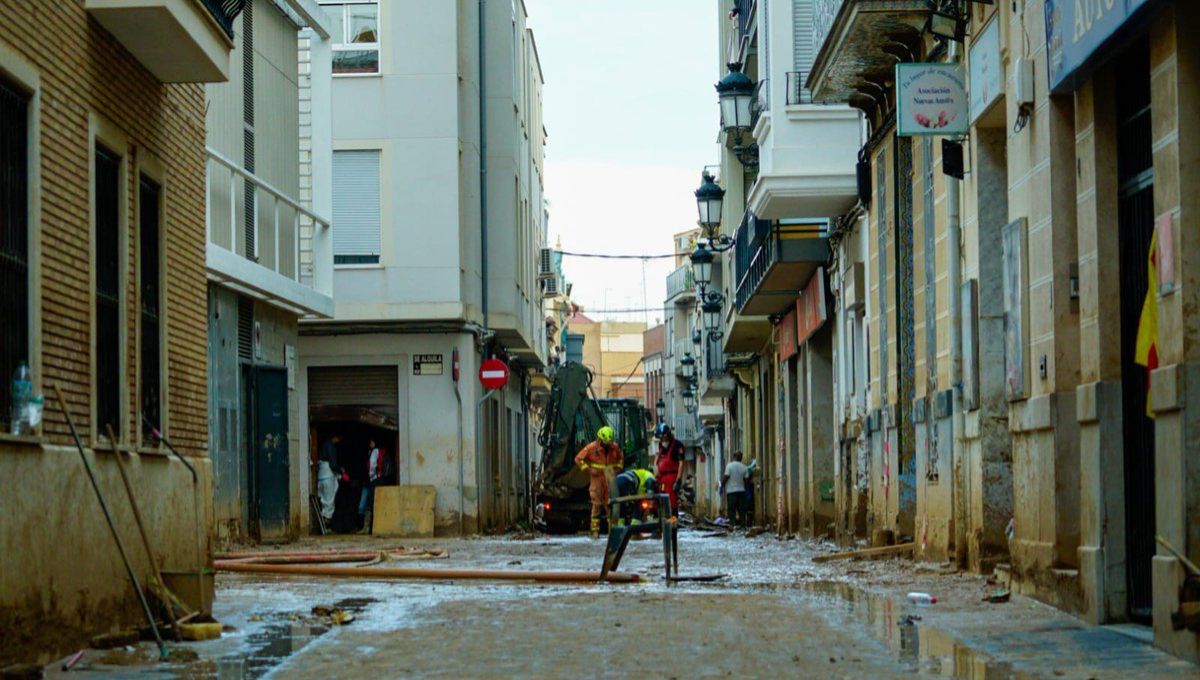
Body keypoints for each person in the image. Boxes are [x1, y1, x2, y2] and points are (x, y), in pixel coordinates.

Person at [574, 425, 624, 538]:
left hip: (610, 479)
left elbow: (620, 460)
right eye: (606, 442)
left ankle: (613, 531)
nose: (608, 445)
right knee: (596, 505)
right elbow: (578, 459)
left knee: (610, 504)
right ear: (600, 439)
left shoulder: (614, 447)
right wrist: (589, 469)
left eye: (610, 442)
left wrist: (616, 471)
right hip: (597, 479)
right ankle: (595, 531)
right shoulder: (591, 448)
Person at [654, 424, 684, 515]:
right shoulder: (661, 446)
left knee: (672, 502)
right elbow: (658, 460)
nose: (661, 441)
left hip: (672, 478)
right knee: (661, 500)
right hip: (662, 478)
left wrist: (678, 480)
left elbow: (681, 464)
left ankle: (673, 522)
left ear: (667, 436)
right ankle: (663, 520)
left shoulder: (677, 446)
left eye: (662, 438)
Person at [358, 439, 385, 534]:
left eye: (372, 441)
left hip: (374, 479)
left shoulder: (375, 451)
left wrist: (370, 476)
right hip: (380, 479)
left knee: (369, 502)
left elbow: (371, 465)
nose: (370, 443)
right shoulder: (382, 450)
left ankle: (366, 528)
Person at [722, 451, 751, 527]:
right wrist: (747, 490)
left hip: (731, 491)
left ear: (734, 456)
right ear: (741, 457)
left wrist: (721, 486)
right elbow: (746, 480)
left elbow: (726, 477)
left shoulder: (729, 466)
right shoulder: (744, 467)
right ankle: (743, 525)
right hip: (741, 491)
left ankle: (732, 524)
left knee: (731, 509)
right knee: (741, 509)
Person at [317, 434, 342, 521]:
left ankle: (323, 521)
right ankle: (327, 521)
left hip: (321, 476)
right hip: (328, 476)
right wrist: (341, 471)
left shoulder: (324, 445)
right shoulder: (331, 446)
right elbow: (333, 465)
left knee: (323, 499)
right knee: (329, 499)